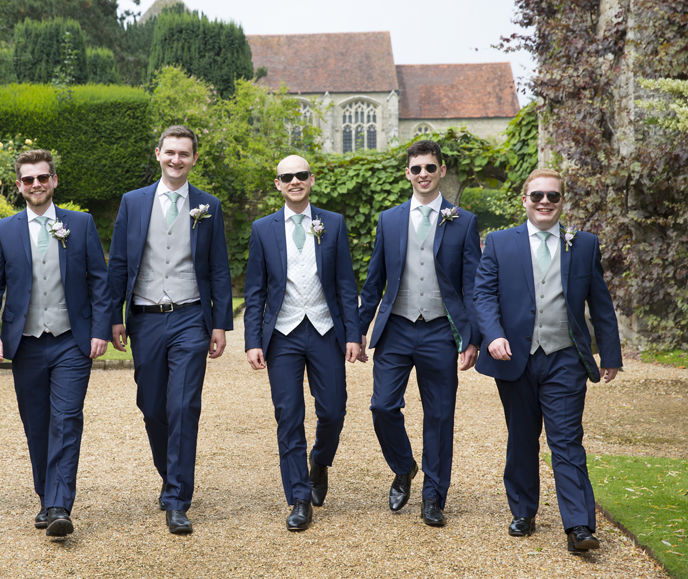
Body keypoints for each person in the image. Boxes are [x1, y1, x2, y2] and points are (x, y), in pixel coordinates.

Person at [473, 167, 622, 553]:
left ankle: (579, 526)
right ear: (524, 200)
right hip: (515, 357)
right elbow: (483, 296)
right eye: (537, 195)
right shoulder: (500, 243)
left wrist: (610, 353)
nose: (544, 202)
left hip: (565, 358)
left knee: (567, 441)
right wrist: (494, 335)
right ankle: (523, 510)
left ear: (561, 202)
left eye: (552, 196)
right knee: (522, 437)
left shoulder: (584, 244)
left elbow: (600, 304)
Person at [106, 125, 233, 535]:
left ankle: (178, 498)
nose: (177, 160)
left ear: (194, 159)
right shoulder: (133, 201)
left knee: (183, 407)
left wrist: (219, 323)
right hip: (144, 316)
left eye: (185, 154)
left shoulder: (208, 206)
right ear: (158, 153)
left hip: (189, 317)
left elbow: (218, 267)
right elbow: (120, 263)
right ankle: (168, 473)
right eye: (170, 152)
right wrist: (114, 316)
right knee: (152, 406)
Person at [0, 149, 111, 538]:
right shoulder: (4, 230)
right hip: (26, 343)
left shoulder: (81, 224)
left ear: (54, 181)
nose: (36, 184)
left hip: (72, 341)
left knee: (67, 419)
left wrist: (100, 329)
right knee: (37, 425)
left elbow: (99, 283)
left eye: (42, 177)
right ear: (19, 186)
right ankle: (45, 497)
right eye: (28, 179)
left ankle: (58, 505)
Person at [357, 139, 481, 527]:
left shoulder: (463, 220)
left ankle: (433, 497)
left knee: (440, 416)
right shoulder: (389, 219)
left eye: (430, 168)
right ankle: (404, 465)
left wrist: (472, 337)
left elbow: (474, 285)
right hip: (395, 328)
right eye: (416, 169)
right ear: (407, 173)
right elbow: (374, 280)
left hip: (440, 332)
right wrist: (358, 330)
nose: (423, 174)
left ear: (441, 171)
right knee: (382, 406)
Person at [243, 155, 361, 531]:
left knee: (333, 411)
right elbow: (255, 290)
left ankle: (319, 462)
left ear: (311, 179)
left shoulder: (333, 223)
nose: (294, 181)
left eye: (300, 175)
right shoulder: (263, 229)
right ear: (277, 183)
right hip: (282, 335)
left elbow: (345, 283)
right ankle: (298, 497)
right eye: (286, 176)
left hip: (326, 330)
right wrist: (252, 341)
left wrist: (354, 334)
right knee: (288, 415)